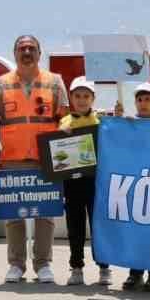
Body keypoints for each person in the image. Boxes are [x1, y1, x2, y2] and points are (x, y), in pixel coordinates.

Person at [0, 35, 67, 284]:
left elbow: (65, 119)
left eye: (31, 48)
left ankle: (43, 263)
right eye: (22, 48)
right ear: (14, 53)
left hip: (45, 158)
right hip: (12, 158)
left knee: (45, 213)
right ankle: (16, 264)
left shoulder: (54, 82)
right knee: (14, 213)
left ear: (39, 53)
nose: (27, 52)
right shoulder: (0, 84)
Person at [57, 77, 110, 287]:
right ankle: (76, 267)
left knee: (99, 226)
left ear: (93, 98)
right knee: (75, 226)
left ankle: (104, 267)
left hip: (96, 181)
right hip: (72, 183)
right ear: (71, 97)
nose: (81, 100)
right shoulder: (64, 123)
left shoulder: (102, 121)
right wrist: (62, 136)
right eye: (77, 96)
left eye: (86, 96)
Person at [121, 82, 150, 293]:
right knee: (135, 229)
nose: (143, 103)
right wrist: (119, 122)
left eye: (148, 99)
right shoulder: (128, 123)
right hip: (135, 187)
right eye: (139, 99)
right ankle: (135, 273)